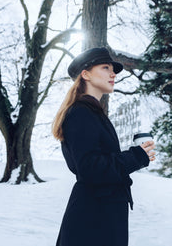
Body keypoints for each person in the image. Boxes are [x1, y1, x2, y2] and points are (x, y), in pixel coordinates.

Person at [52, 47, 156, 246]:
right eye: (106, 67)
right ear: (86, 74)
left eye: (113, 70)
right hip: (92, 219)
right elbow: (90, 167)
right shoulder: (81, 113)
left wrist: (137, 155)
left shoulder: (92, 113)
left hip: (100, 215)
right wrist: (136, 156)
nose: (113, 74)